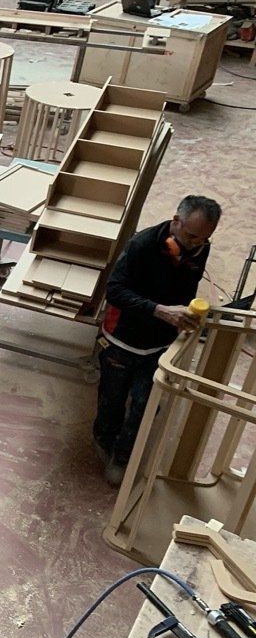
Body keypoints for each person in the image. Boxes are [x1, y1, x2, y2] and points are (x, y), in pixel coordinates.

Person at [94, 194, 221, 485]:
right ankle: (103, 439)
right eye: (190, 236)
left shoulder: (199, 248)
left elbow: (186, 284)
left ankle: (123, 456)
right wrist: (159, 310)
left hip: (160, 343)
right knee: (112, 399)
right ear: (175, 221)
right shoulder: (142, 245)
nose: (195, 245)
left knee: (145, 403)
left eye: (202, 239)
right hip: (123, 339)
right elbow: (114, 291)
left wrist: (186, 315)